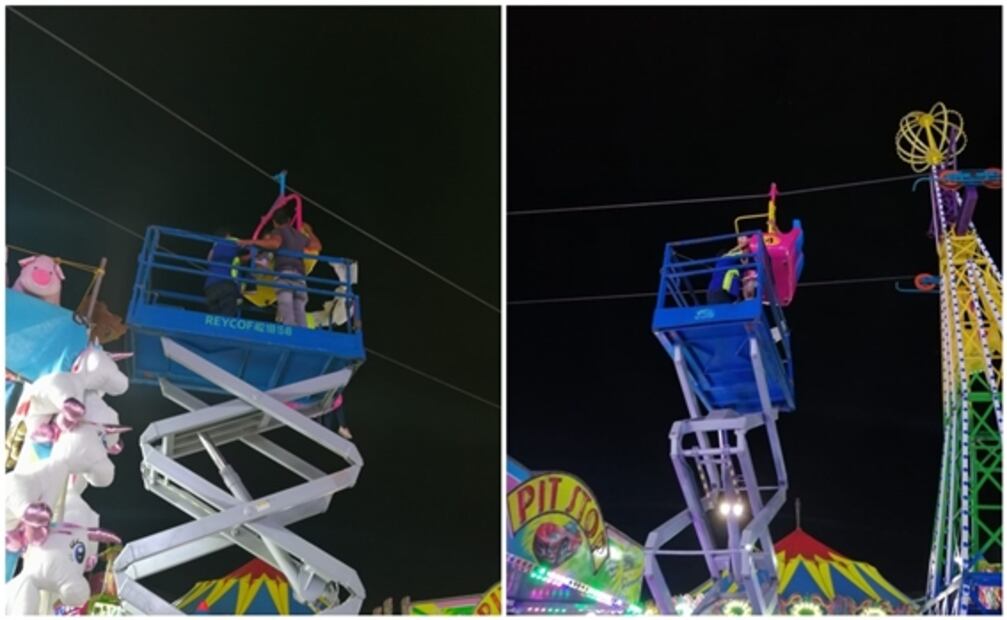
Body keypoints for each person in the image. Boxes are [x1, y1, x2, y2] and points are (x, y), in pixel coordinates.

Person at [239, 208, 321, 327]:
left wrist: (251, 242)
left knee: (286, 304)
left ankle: (290, 333)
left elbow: (274, 244)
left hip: (284, 272)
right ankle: (302, 334)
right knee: (299, 306)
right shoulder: (298, 235)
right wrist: (309, 230)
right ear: (289, 220)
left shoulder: (278, 232)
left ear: (274, 223)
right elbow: (317, 246)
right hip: (299, 276)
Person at [204, 228, 246, 316]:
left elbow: (208, 261)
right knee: (227, 317)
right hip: (226, 285)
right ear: (227, 235)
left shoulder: (213, 249)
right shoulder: (230, 242)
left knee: (214, 319)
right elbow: (244, 244)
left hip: (210, 287)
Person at [706, 236, 749, 305]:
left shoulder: (721, 265)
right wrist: (743, 244)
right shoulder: (727, 258)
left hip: (711, 293)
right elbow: (744, 252)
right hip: (720, 292)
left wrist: (744, 265)